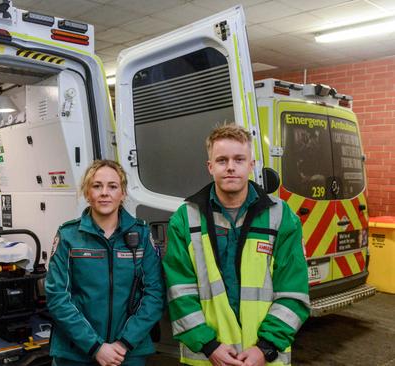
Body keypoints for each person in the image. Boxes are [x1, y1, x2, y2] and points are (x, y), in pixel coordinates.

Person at [163, 124, 309, 366]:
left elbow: (293, 292)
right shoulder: (185, 218)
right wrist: (210, 346)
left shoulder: (282, 217)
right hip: (206, 358)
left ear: (251, 165)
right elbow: (179, 292)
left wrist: (265, 348)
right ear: (210, 167)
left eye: (239, 159)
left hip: (264, 359)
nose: (230, 167)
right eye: (221, 160)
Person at [45, 160, 164, 366]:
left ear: (123, 193)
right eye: (97, 186)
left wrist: (124, 343)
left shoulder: (142, 235)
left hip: (127, 353)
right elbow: (57, 297)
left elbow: (154, 294)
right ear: (87, 193)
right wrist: (95, 347)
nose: (104, 192)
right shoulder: (68, 236)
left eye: (113, 186)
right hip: (75, 354)